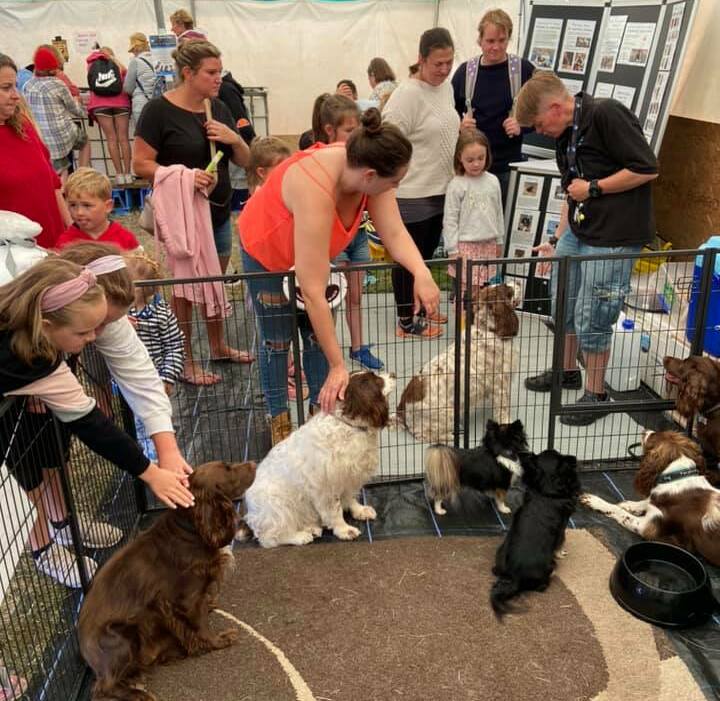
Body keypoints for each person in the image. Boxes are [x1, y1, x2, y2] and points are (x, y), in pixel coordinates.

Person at [238, 108, 440, 443]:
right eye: (395, 182)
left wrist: (421, 271)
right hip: (267, 254)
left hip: (312, 249)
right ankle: (279, 419)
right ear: (370, 176)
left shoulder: (369, 172)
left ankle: (321, 416)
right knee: (277, 341)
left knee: (317, 338)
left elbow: (393, 231)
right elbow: (313, 291)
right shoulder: (315, 187)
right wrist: (338, 365)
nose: (397, 187)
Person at [0, 257, 194, 587]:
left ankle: (62, 526)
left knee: (47, 452)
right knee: (19, 481)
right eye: (84, 331)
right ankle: (43, 549)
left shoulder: (35, 331)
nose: (93, 338)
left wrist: (160, 458)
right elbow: (92, 425)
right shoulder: (32, 360)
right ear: (46, 325)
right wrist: (150, 473)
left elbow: (91, 418)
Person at [515, 71, 659, 426]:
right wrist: (555, 238)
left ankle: (597, 393)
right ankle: (566, 371)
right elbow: (571, 191)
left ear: (554, 107)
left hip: (613, 236)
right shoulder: (565, 135)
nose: (539, 131)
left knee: (593, 313)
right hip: (578, 231)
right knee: (562, 299)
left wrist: (594, 187)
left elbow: (647, 168)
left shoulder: (606, 114)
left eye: (538, 124)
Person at [132, 40, 252, 385]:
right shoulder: (158, 111)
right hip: (181, 218)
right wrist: (184, 176)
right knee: (184, 290)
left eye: (219, 71)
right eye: (211, 72)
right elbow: (140, 164)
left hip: (217, 213)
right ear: (188, 73)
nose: (218, 79)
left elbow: (246, 161)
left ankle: (217, 345)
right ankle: (183, 359)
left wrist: (233, 138)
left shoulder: (218, 107)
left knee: (213, 281)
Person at [382, 27, 460, 338]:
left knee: (424, 257)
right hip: (412, 193)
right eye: (438, 63)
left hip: (441, 189)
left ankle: (423, 309)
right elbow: (388, 140)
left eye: (449, 62)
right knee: (407, 261)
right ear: (421, 59)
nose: (444, 69)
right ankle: (406, 320)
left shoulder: (446, 88)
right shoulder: (406, 95)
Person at [312, 94, 384, 370]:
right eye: (349, 130)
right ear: (330, 130)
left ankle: (357, 347)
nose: (355, 136)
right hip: (335, 240)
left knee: (355, 296)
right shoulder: (322, 161)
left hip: (359, 236)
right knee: (332, 298)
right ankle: (329, 352)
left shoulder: (360, 160)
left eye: (357, 130)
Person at [451, 8, 535, 205]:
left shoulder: (523, 70)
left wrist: (522, 126)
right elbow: (448, 111)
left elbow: (542, 111)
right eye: (490, 41)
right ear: (480, 40)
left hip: (507, 167)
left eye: (502, 40)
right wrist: (459, 125)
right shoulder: (465, 72)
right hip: (472, 168)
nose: (496, 47)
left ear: (509, 39)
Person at [246, 136, 308, 400]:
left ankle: (288, 372)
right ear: (262, 172)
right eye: (281, 167)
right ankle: (278, 388)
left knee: (284, 333)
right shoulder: (261, 199)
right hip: (270, 274)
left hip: (287, 271)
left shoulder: (279, 193)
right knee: (274, 338)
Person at [0, 55, 70, 249]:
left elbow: (53, 183)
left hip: (53, 248)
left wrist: (71, 228)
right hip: (13, 255)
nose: (16, 95)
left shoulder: (24, 128)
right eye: (6, 88)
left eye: (15, 86)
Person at [126, 253, 185, 460]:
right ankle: (142, 457)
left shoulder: (160, 314)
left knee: (153, 422)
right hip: (126, 381)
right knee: (133, 423)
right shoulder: (118, 314)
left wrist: (167, 377)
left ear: (143, 289)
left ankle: (156, 460)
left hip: (153, 381)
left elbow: (175, 345)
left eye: (126, 284)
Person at [443, 128, 504, 297]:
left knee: (486, 292)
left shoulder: (493, 181)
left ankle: (478, 316)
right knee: (466, 293)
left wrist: (499, 240)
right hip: (465, 247)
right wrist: (452, 249)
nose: (476, 164)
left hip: (489, 244)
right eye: (470, 160)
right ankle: (463, 315)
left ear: (487, 155)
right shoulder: (457, 185)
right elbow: (450, 219)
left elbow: (498, 213)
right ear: (460, 158)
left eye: (480, 158)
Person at [22, 46, 89, 182]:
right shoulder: (58, 84)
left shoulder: (27, 86)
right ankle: (81, 176)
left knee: (60, 170)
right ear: (54, 68)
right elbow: (75, 110)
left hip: (41, 136)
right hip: (62, 133)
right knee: (85, 141)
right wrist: (80, 105)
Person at [56, 168, 140, 251]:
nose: (79, 212)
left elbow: (138, 259)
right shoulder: (65, 243)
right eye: (73, 205)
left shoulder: (125, 239)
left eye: (87, 205)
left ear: (108, 206)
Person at [86, 46, 133, 185]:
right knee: (123, 139)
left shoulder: (91, 65)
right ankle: (128, 174)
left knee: (111, 139)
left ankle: (119, 175)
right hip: (121, 103)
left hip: (99, 105)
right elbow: (127, 78)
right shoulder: (117, 64)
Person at [124, 32, 156, 127]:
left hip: (141, 103)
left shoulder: (135, 61)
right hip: (159, 101)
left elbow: (128, 88)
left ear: (135, 48)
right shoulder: (158, 58)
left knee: (143, 133)